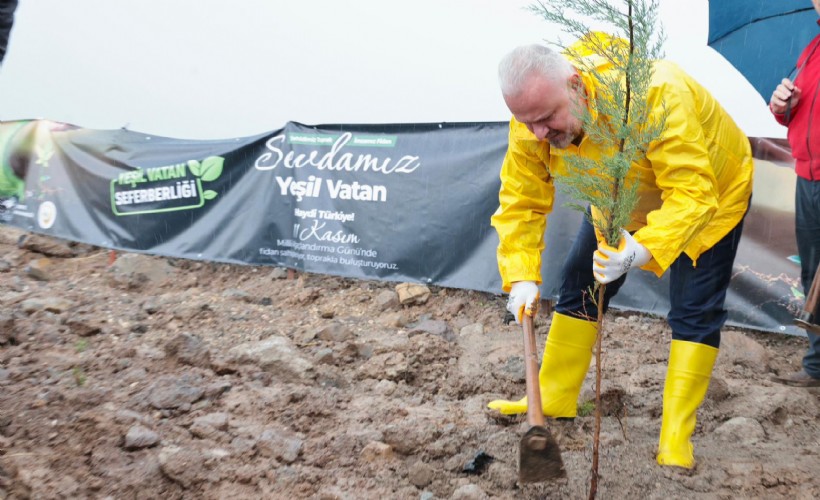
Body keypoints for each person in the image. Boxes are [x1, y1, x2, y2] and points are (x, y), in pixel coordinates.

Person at [486, 33, 754, 470]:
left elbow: (692, 193)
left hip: (711, 195)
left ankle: (675, 437)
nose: (538, 133)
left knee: (694, 309)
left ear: (576, 85)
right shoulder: (532, 119)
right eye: (527, 121)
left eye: (547, 118)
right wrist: (521, 274)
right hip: (619, 196)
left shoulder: (655, 92)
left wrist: (643, 249)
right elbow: (521, 200)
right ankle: (553, 395)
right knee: (581, 283)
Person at [767, 0, 820, 388]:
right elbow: (797, 115)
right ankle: (817, 366)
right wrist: (782, 105)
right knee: (813, 272)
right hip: (808, 178)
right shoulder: (812, 49)